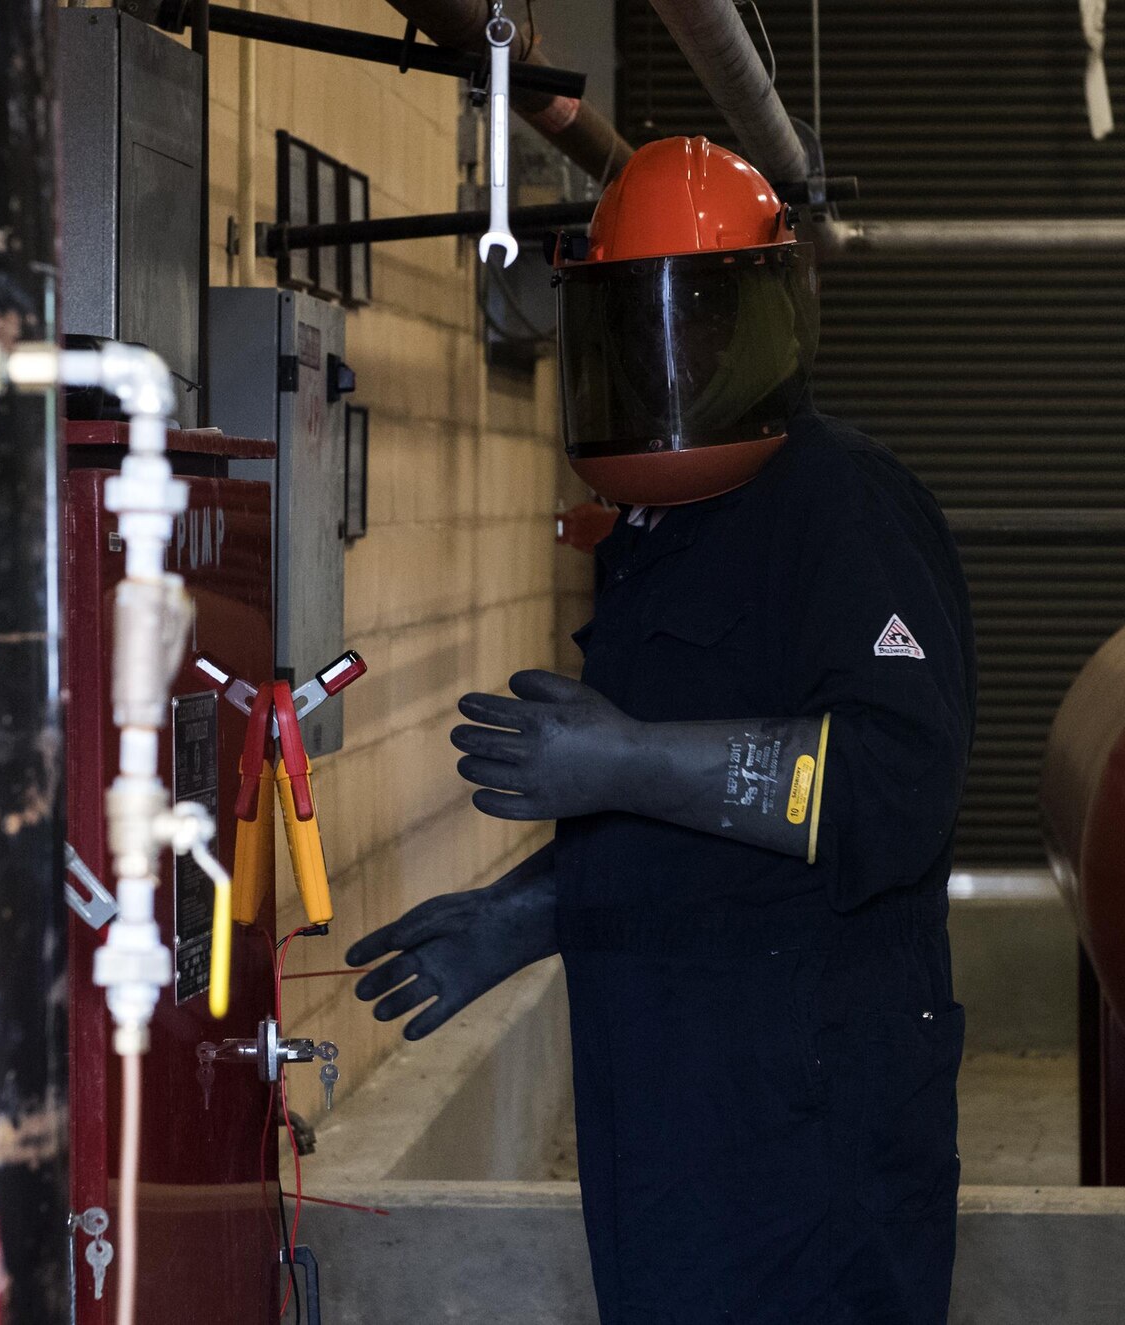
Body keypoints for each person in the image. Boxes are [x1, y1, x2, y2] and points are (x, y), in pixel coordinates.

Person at [349, 135, 976, 1324]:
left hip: (811, 1123)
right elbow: (686, 818)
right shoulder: (655, 529)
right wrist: (530, 912)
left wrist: (622, 754)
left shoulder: (842, 508)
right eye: (635, 321)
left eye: (696, 314)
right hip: (672, 1107)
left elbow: (895, 786)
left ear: (771, 316)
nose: (666, 352)